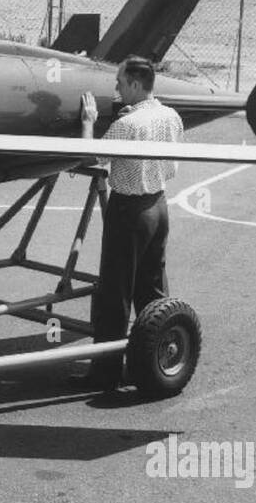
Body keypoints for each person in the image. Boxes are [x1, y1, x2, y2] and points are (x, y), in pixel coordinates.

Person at [75, 56, 183, 390]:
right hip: (158, 207)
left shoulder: (128, 124)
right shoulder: (170, 116)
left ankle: (105, 374)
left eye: (120, 82)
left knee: (115, 293)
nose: (116, 88)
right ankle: (158, 360)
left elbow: (91, 158)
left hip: (130, 212)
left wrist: (89, 122)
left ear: (136, 84)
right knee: (151, 290)